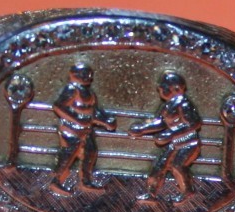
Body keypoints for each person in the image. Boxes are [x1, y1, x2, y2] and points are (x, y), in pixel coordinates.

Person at [129, 71, 202, 202]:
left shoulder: (183, 103)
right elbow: (161, 122)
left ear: (175, 88)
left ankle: (188, 191)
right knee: (160, 165)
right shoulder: (168, 105)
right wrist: (143, 129)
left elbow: (194, 123)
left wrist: (171, 134)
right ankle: (151, 193)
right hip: (175, 143)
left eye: (163, 87)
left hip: (188, 142)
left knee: (177, 165)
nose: (160, 90)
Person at [49, 63, 116, 196]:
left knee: (90, 152)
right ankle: (56, 181)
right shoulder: (72, 89)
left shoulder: (90, 93)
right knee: (69, 153)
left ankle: (85, 181)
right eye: (83, 74)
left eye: (89, 74)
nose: (87, 77)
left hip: (86, 130)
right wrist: (77, 120)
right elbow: (58, 107)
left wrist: (106, 121)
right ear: (73, 75)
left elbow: (94, 112)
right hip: (71, 129)